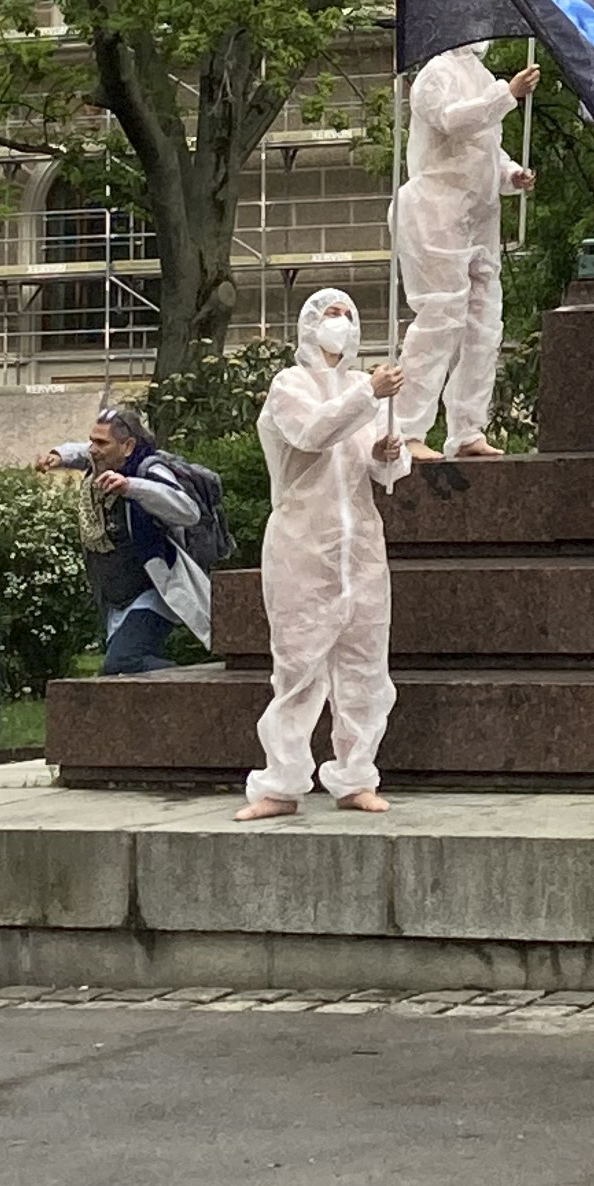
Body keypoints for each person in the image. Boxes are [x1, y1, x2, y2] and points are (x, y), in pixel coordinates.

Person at [238, 287, 402, 820]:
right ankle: (280, 785)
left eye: (350, 314)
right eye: (331, 314)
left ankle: (356, 778)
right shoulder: (289, 385)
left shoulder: (362, 386)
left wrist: (386, 453)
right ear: (309, 325)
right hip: (302, 546)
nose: (342, 323)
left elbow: (381, 470)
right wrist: (369, 398)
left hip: (361, 550)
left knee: (364, 669)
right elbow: (311, 434)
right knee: (298, 665)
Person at [388, 46, 535, 460]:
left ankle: (467, 429)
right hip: (436, 209)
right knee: (440, 321)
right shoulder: (436, 72)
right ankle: (407, 430)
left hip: (478, 216)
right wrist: (508, 94)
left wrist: (510, 174)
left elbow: (485, 151)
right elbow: (453, 121)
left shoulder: (482, 75)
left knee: (483, 325)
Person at [34, 397, 218, 673]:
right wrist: (58, 456)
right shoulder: (101, 462)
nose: (93, 450)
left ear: (128, 446)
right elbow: (80, 451)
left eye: (102, 444)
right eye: (92, 441)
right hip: (114, 595)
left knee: (122, 662)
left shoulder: (148, 469)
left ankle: (197, 683)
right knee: (119, 674)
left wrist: (132, 487)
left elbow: (188, 511)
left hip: (151, 589)